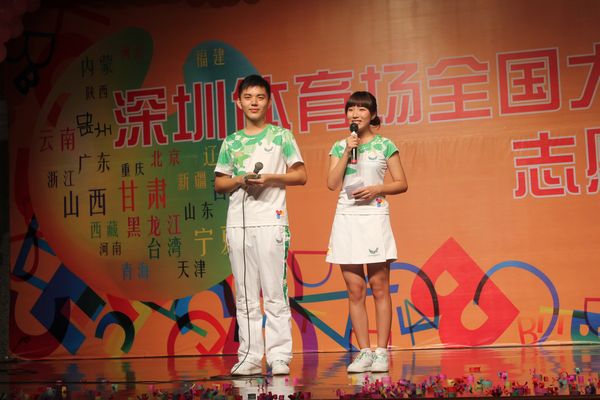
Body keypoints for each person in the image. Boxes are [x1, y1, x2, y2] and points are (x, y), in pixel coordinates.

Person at [214, 74, 307, 376]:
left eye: (260, 97)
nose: (254, 102)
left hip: (271, 221)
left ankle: (279, 356)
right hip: (238, 225)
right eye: (248, 97)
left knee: (274, 292)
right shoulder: (231, 142)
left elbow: (301, 175)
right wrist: (239, 179)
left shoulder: (281, 137)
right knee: (245, 294)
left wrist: (270, 178)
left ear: (268, 102)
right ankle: (250, 356)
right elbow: (219, 184)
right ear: (239, 102)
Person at [326, 91, 408, 373]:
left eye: (362, 109)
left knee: (379, 285)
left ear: (372, 115)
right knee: (355, 289)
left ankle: (381, 351)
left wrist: (377, 189)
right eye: (351, 109)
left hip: (374, 216)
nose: (356, 113)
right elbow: (331, 183)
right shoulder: (340, 146)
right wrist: (346, 151)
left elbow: (401, 183)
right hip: (346, 217)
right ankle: (364, 352)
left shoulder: (385, 145)